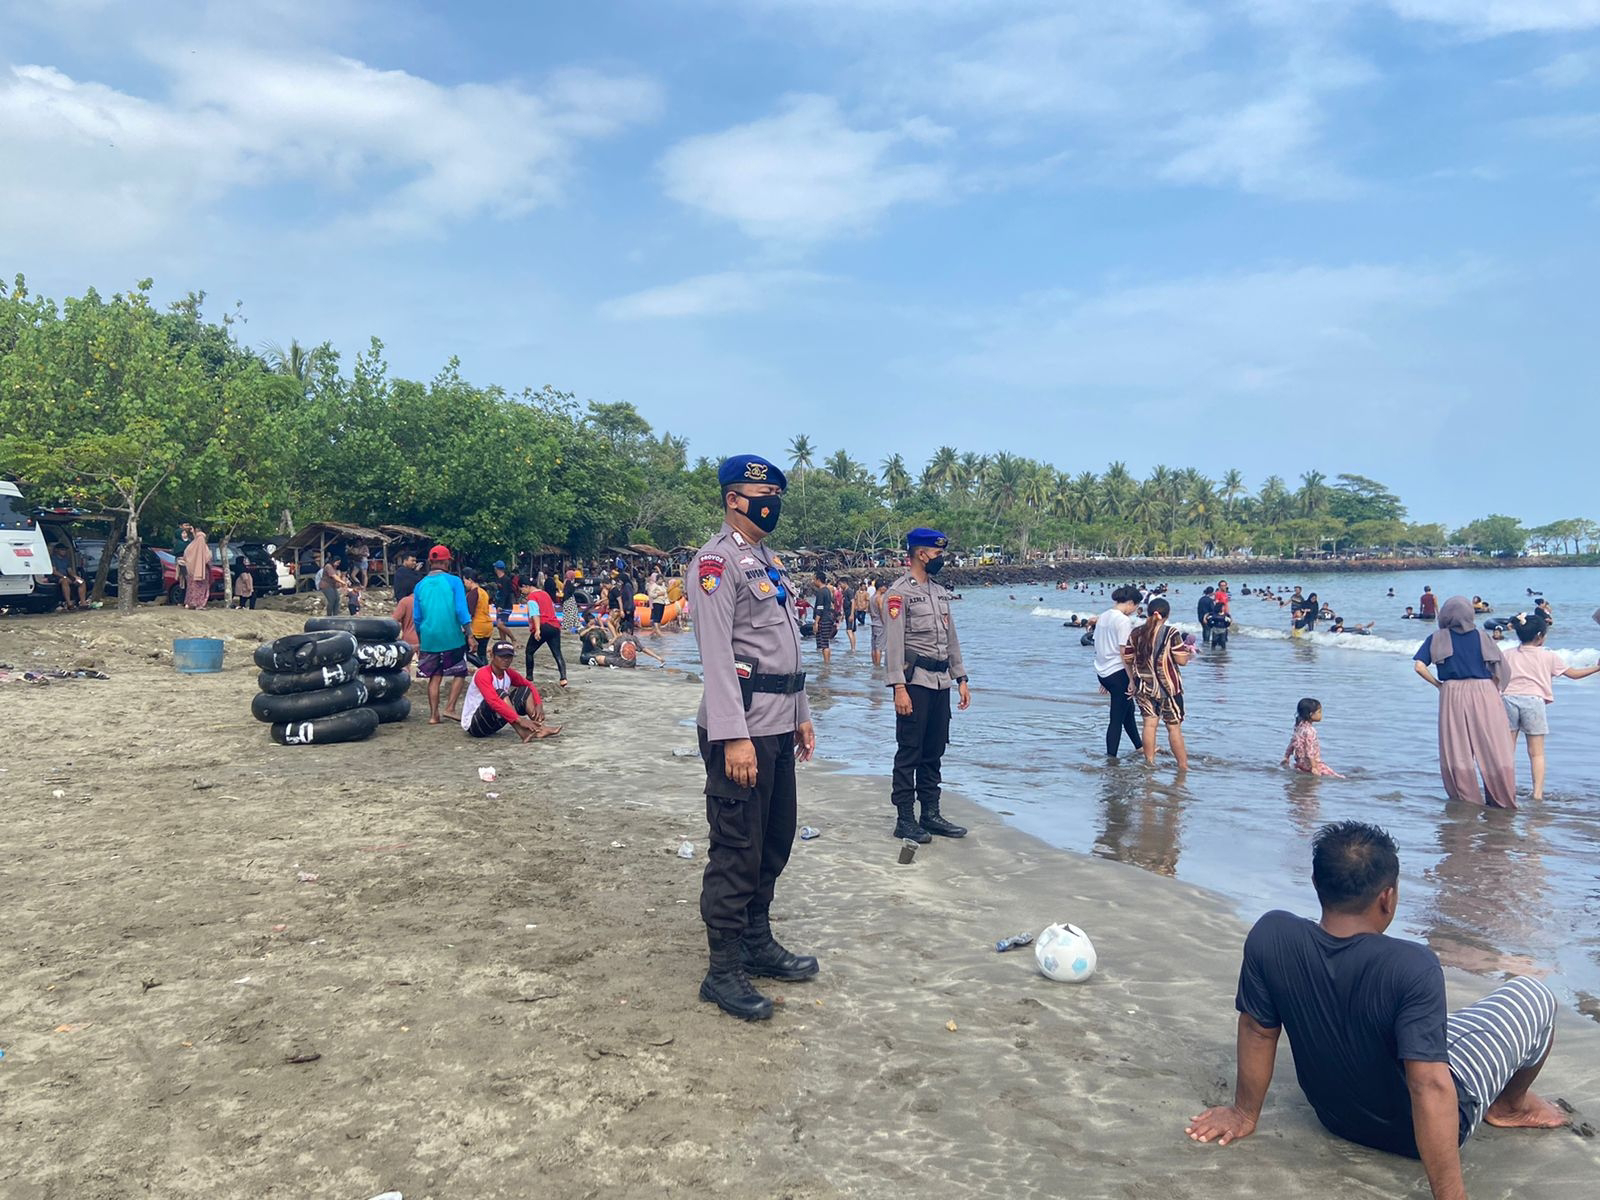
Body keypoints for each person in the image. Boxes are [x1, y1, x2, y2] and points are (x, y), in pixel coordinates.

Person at [1187, 821, 1567, 1200]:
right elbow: (1428, 1085)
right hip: (1422, 1135)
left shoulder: (1273, 935)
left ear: (1317, 884)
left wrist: (1244, 1113)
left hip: (1336, 1118)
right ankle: (1509, 1107)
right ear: (1388, 898)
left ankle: (1503, 1099)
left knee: (1431, 1029)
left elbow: (1257, 1030)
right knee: (1533, 995)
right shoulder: (1411, 965)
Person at [690, 454, 816, 1022]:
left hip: (778, 722)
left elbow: (783, 648)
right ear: (732, 499)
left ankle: (757, 942)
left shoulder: (766, 561)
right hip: (740, 729)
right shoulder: (716, 563)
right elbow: (717, 658)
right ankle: (722, 972)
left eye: (775, 494)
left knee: (774, 840)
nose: (771, 503)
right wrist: (733, 737)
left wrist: (802, 713)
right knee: (736, 848)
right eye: (760, 493)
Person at [882, 528, 970, 843]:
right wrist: (898, 687)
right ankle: (905, 819)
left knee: (934, 751)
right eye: (937, 554)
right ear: (921, 554)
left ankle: (930, 814)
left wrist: (961, 678)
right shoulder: (899, 593)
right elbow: (893, 644)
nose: (940, 559)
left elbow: (951, 638)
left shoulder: (939, 591)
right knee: (910, 751)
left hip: (940, 683)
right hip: (914, 682)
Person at [1412, 596, 1515, 809]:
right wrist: (1492, 688)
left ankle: (1466, 800)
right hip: (1485, 691)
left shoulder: (1436, 637)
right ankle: (1501, 799)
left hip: (1452, 691)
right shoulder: (1483, 636)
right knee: (1493, 745)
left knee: (1456, 747)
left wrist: (1439, 685)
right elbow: (1500, 669)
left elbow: (1419, 667)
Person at [1501, 611, 1600, 800]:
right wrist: (1597, 667)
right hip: (1534, 702)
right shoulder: (1549, 656)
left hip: (1508, 700)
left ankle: (1506, 789)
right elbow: (1574, 674)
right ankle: (1537, 794)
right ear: (1540, 636)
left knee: (1507, 750)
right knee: (1536, 753)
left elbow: (1495, 677)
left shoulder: (1507, 654)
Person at [1124, 596, 1190, 771]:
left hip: (1143, 686)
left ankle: (1150, 764)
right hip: (1168, 688)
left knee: (1149, 724)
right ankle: (1183, 767)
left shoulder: (1136, 632)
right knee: (1173, 727)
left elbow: (1128, 658)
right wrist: (1189, 654)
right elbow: (1181, 660)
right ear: (1166, 615)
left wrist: (1132, 680)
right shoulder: (1171, 633)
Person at [413, 544, 472, 725]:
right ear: (447, 562)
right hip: (451, 636)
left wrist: (421, 638)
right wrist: (469, 634)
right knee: (460, 672)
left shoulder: (419, 585)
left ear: (430, 562)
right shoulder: (454, 582)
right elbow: (461, 610)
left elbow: (417, 617)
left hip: (429, 637)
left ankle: (433, 715)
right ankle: (450, 708)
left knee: (434, 677)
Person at [461, 641, 560, 741]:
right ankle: (524, 731)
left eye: (509, 657)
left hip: (494, 721)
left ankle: (539, 728)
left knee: (525, 690)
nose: (506, 660)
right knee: (500, 693)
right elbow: (493, 701)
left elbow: (529, 685)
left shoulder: (508, 673)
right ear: (492, 656)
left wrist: (539, 704)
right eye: (502, 657)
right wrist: (519, 720)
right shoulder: (483, 674)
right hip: (475, 725)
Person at [1094, 585, 1144, 758]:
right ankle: (1111, 759)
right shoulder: (1123, 620)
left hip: (1104, 672)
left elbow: (1098, 646)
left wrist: (1103, 679)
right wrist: (1131, 680)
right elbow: (1124, 653)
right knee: (1116, 718)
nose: (1134, 611)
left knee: (1127, 712)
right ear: (1130, 603)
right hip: (1118, 673)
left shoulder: (1103, 616)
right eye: (1136, 607)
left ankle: (1139, 747)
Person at [1281, 698, 1344, 778]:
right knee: (1338, 778)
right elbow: (1309, 750)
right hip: (1312, 764)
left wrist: (1286, 756)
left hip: (1301, 764)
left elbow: (1292, 743)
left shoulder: (1299, 727)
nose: (1321, 715)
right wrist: (1314, 767)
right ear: (1311, 714)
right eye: (1319, 712)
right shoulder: (1310, 731)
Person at [524, 579, 569, 687]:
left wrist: (538, 629)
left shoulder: (532, 597)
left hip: (543, 625)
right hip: (554, 626)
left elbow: (535, 613)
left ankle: (529, 677)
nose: (522, 592)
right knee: (557, 653)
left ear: (526, 586)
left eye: (522, 589)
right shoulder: (545, 594)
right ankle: (563, 678)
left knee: (529, 651)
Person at [462, 568, 495, 661]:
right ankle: (485, 669)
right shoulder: (483, 592)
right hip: (487, 625)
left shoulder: (473, 593)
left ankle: (481, 667)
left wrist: (465, 630)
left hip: (477, 627)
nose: (464, 584)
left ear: (470, 580)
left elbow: (469, 613)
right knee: (482, 653)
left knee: (464, 651)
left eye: (465, 581)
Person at [50, 538, 87, 610]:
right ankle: (69, 603)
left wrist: (76, 577)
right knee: (65, 581)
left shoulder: (66, 559)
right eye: (62, 549)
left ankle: (83, 602)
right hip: (56, 577)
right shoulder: (53, 559)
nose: (64, 551)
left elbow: (69, 570)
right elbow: (54, 571)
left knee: (81, 581)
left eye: (65, 550)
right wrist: (63, 576)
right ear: (57, 550)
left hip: (67, 576)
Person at [182, 525, 212, 610]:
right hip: (202, 570)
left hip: (191, 570)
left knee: (192, 587)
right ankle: (199, 603)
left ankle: (191, 603)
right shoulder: (202, 544)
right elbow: (207, 557)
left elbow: (186, 555)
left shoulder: (192, 545)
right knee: (201, 587)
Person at [811, 569, 837, 664]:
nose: (813, 582)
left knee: (824, 644)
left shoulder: (821, 592)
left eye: (814, 579)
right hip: (827, 618)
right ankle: (826, 663)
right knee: (825, 643)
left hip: (823, 620)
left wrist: (816, 622)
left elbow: (820, 608)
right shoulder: (827, 590)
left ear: (818, 580)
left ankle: (826, 664)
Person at [867, 576, 886, 668]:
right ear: (881, 587)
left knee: (873, 647)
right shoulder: (879, 598)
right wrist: (885, 623)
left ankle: (874, 664)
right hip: (880, 624)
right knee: (879, 647)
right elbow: (882, 611)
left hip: (873, 622)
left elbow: (869, 611)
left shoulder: (872, 598)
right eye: (884, 587)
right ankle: (878, 666)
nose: (885, 589)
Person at [647, 570, 669, 638]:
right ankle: (657, 630)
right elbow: (651, 594)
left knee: (660, 617)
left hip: (662, 602)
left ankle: (656, 631)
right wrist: (658, 594)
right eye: (659, 579)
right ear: (657, 580)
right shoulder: (654, 586)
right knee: (656, 617)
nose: (661, 581)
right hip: (657, 602)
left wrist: (667, 602)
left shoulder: (663, 586)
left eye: (662, 579)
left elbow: (665, 594)